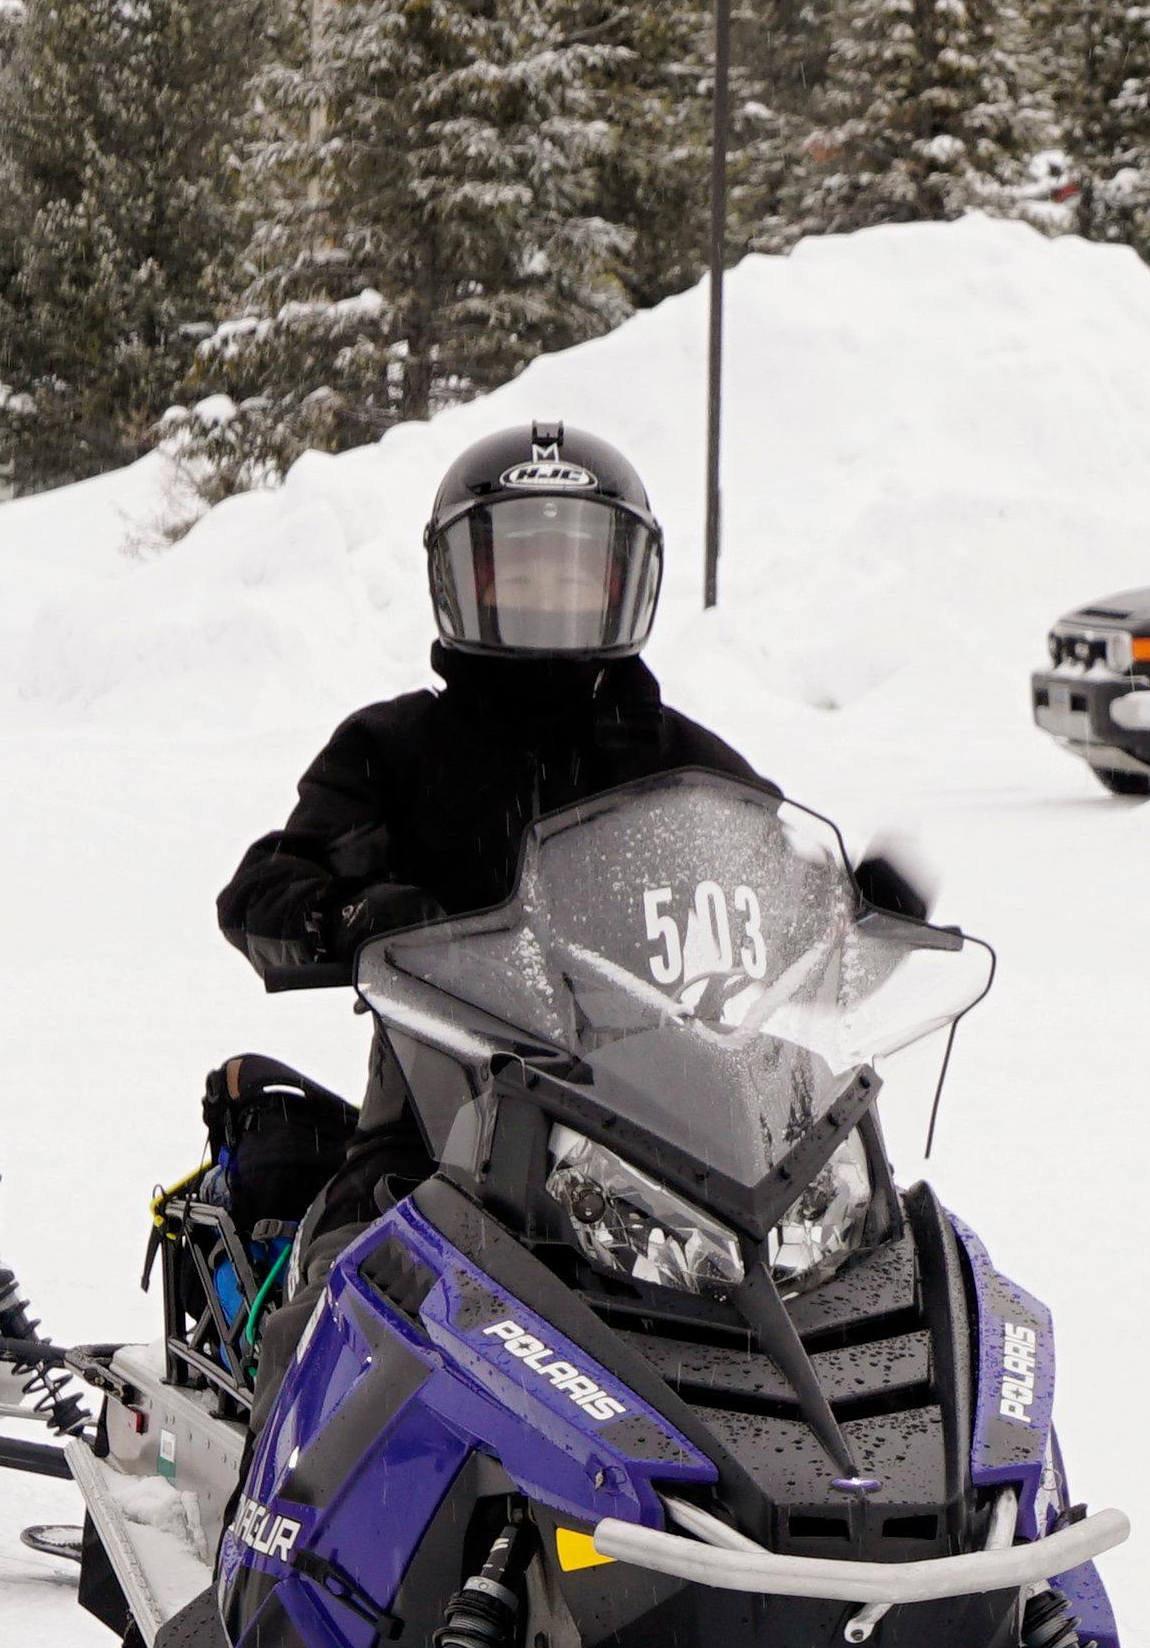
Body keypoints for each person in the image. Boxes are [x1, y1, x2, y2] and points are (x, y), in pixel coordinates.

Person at [212, 422, 759, 1257]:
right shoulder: (394, 750)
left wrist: (858, 912)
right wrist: (353, 916)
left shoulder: (680, 764)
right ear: (463, 578)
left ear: (623, 578)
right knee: (355, 1277)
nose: (548, 592)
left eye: (571, 570)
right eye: (522, 570)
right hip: (441, 1117)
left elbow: (773, 874)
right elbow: (262, 893)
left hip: (664, 1119)